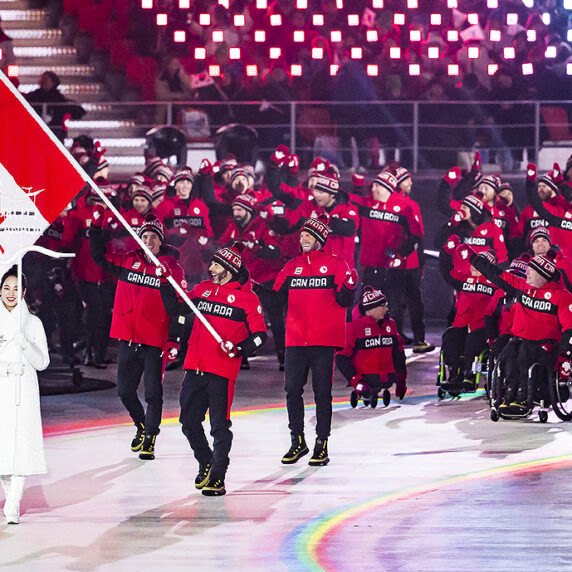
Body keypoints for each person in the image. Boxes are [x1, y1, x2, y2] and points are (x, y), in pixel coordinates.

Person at [160, 243, 267, 496]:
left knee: (219, 425)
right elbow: (175, 309)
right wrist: (165, 284)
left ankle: (218, 475)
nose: (210, 267)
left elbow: (260, 336)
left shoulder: (247, 298)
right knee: (188, 422)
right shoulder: (202, 290)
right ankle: (205, 460)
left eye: (216, 264)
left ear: (228, 269)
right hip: (194, 367)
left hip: (221, 370)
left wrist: (239, 350)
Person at [90, 210, 186, 460]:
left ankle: (150, 439)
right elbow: (98, 256)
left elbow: (179, 308)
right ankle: (141, 425)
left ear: (161, 241)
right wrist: (97, 226)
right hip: (128, 340)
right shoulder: (126, 262)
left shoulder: (173, 270)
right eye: (145, 236)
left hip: (155, 344)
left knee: (153, 394)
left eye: (154, 237)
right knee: (124, 392)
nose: (149, 241)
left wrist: (175, 339)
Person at [274, 216, 357, 466]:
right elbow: (276, 300)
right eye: (301, 236)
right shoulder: (291, 266)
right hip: (296, 339)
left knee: (323, 393)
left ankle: (322, 443)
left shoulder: (336, 264)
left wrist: (350, 287)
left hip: (323, 339)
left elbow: (344, 301)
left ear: (320, 239)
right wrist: (252, 287)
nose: (303, 239)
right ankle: (297, 440)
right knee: (292, 391)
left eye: (308, 235)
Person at [0, 266, 49, 524]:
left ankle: (13, 505)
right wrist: (6, 367)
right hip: (1, 392)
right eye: (6, 288)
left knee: (20, 449)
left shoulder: (33, 323)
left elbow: (43, 362)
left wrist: (25, 344)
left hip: (23, 394)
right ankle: (10, 496)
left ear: (25, 292)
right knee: (2, 450)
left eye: (16, 288)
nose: (11, 293)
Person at [336, 286, 407, 403]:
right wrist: (356, 381)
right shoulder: (353, 328)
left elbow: (398, 354)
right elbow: (341, 357)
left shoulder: (391, 325)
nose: (386, 309)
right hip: (364, 378)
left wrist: (401, 380)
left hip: (387, 378)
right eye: (383, 306)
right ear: (372, 308)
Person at [25, 71, 85, 141]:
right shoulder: (34, 96)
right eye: (42, 79)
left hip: (55, 132)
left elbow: (77, 111)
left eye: (46, 80)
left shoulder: (59, 98)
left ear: (53, 82)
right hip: (36, 132)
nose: (43, 82)